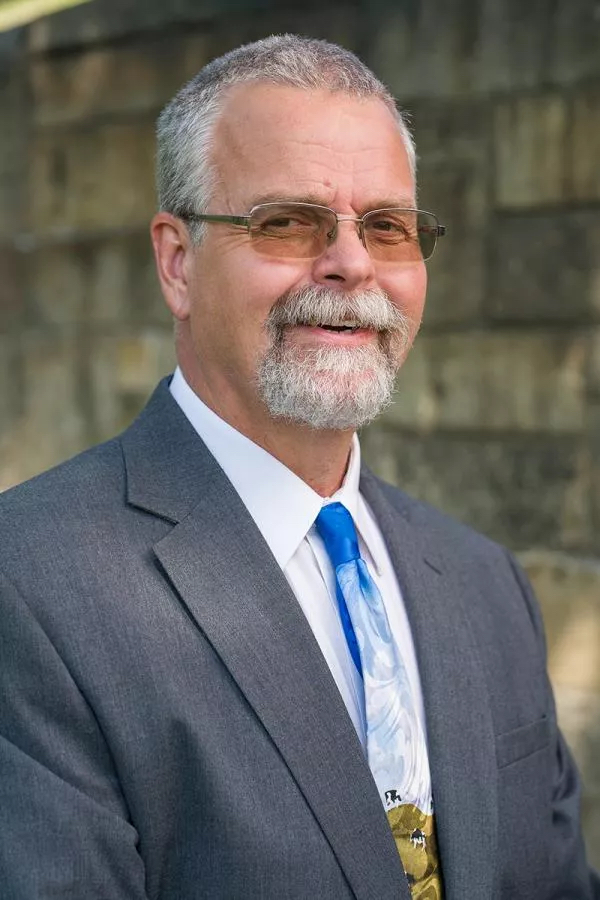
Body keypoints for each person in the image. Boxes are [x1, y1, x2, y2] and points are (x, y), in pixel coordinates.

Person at [0, 34, 597, 900]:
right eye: (287, 222)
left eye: (387, 227)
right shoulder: (30, 585)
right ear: (177, 263)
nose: (352, 263)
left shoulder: (484, 583)